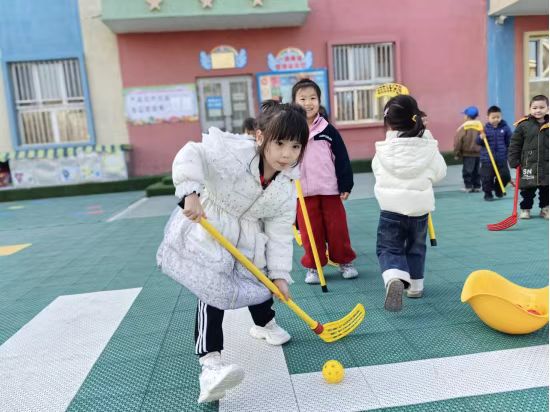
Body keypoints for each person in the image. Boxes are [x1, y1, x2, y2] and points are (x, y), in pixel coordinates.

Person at [156, 101, 309, 403]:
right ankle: (210, 365)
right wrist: (190, 192)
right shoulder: (233, 152)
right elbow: (192, 153)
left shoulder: (286, 184)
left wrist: (280, 275)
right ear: (260, 136)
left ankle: (264, 324)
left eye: (295, 146)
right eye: (280, 143)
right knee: (211, 291)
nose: (287, 154)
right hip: (210, 225)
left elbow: (279, 232)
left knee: (260, 281)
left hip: (248, 237)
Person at [372, 95, 447, 311]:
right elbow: (440, 173)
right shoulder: (428, 146)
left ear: (388, 122)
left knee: (389, 247)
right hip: (419, 209)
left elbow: (377, 170)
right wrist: (427, 136)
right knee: (416, 246)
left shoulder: (384, 149)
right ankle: (415, 286)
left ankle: (394, 276)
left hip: (391, 209)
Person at [291, 78, 358, 283]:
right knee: (310, 232)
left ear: (319, 101)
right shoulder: (290, 131)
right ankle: (314, 266)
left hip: (330, 190)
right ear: (294, 102)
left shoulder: (328, 130)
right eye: (302, 99)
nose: (308, 103)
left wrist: (345, 184)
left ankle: (345, 261)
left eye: (313, 98)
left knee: (338, 229)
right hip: (303, 193)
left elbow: (342, 158)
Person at [508, 94, 549, 219]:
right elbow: (515, 144)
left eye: (542, 107)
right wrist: (514, 160)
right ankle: (525, 209)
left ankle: (545, 209)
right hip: (528, 164)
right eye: (535, 108)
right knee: (527, 190)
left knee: (546, 189)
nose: (538, 110)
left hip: (546, 165)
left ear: (547, 108)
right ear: (530, 108)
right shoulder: (523, 125)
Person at [476, 106, 512, 201]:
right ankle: (488, 194)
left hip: (501, 158)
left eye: (498, 117)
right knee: (486, 177)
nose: (496, 119)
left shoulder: (505, 128)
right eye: (493, 117)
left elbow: (509, 141)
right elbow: (478, 142)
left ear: (501, 116)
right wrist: (480, 138)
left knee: (506, 176)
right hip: (487, 159)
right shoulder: (484, 129)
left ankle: (498, 189)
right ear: (488, 117)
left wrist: (510, 152)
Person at [454, 106, 481, 192]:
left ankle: (468, 186)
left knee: (467, 170)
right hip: (479, 153)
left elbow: (458, 141)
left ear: (467, 116)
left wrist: (457, 153)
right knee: (477, 170)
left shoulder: (464, 127)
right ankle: (477, 186)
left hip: (467, 153)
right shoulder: (480, 126)